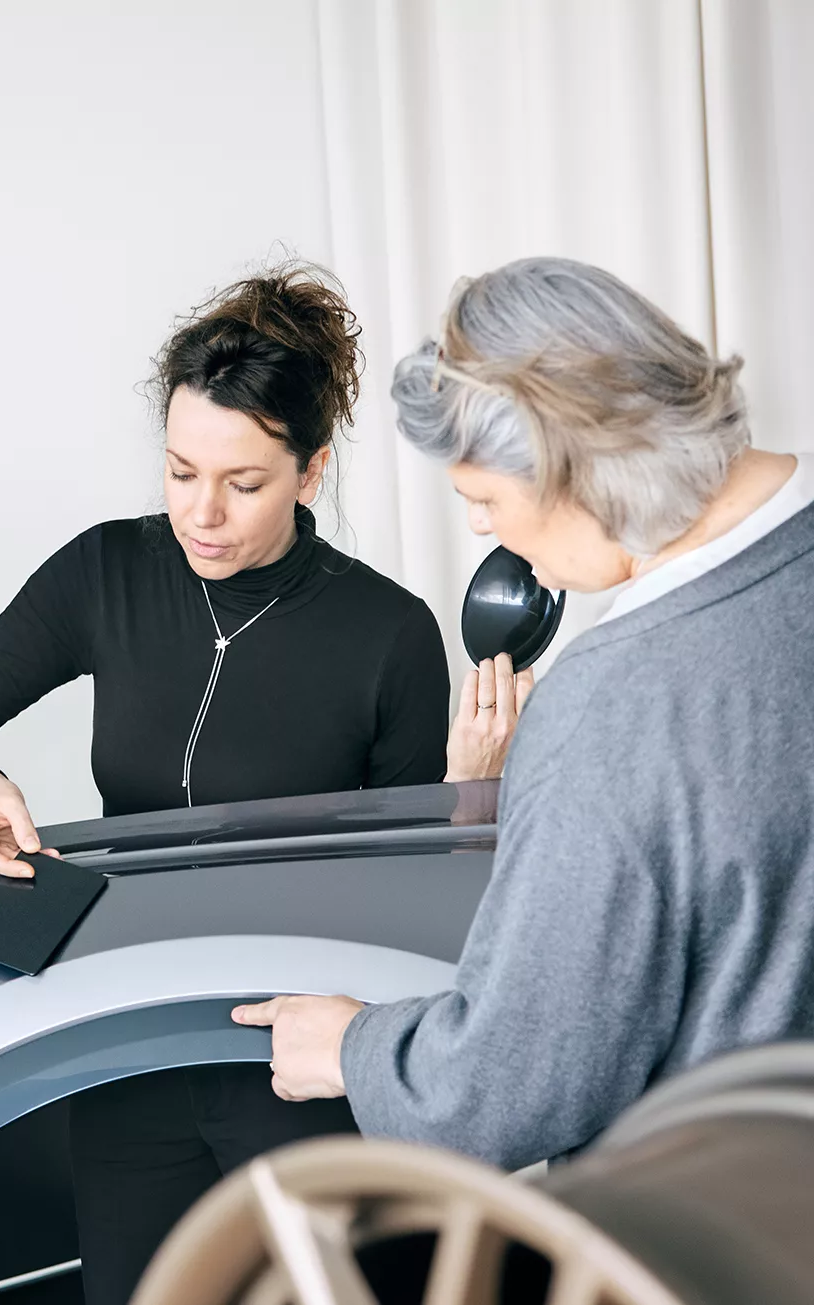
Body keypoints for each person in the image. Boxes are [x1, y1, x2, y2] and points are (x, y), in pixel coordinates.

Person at [0, 265, 511, 1305]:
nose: (201, 513)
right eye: (180, 472)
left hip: (294, 1066)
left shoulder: (388, 634)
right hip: (128, 1060)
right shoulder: (106, 574)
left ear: (309, 472)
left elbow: (409, 900)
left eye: (243, 483)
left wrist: (467, 795)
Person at [236, 257, 814, 1169]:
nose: (482, 530)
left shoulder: (610, 704)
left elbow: (509, 1086)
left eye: (486, 500)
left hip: (712, 1216)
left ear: (571, 472)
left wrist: (352, 1047)